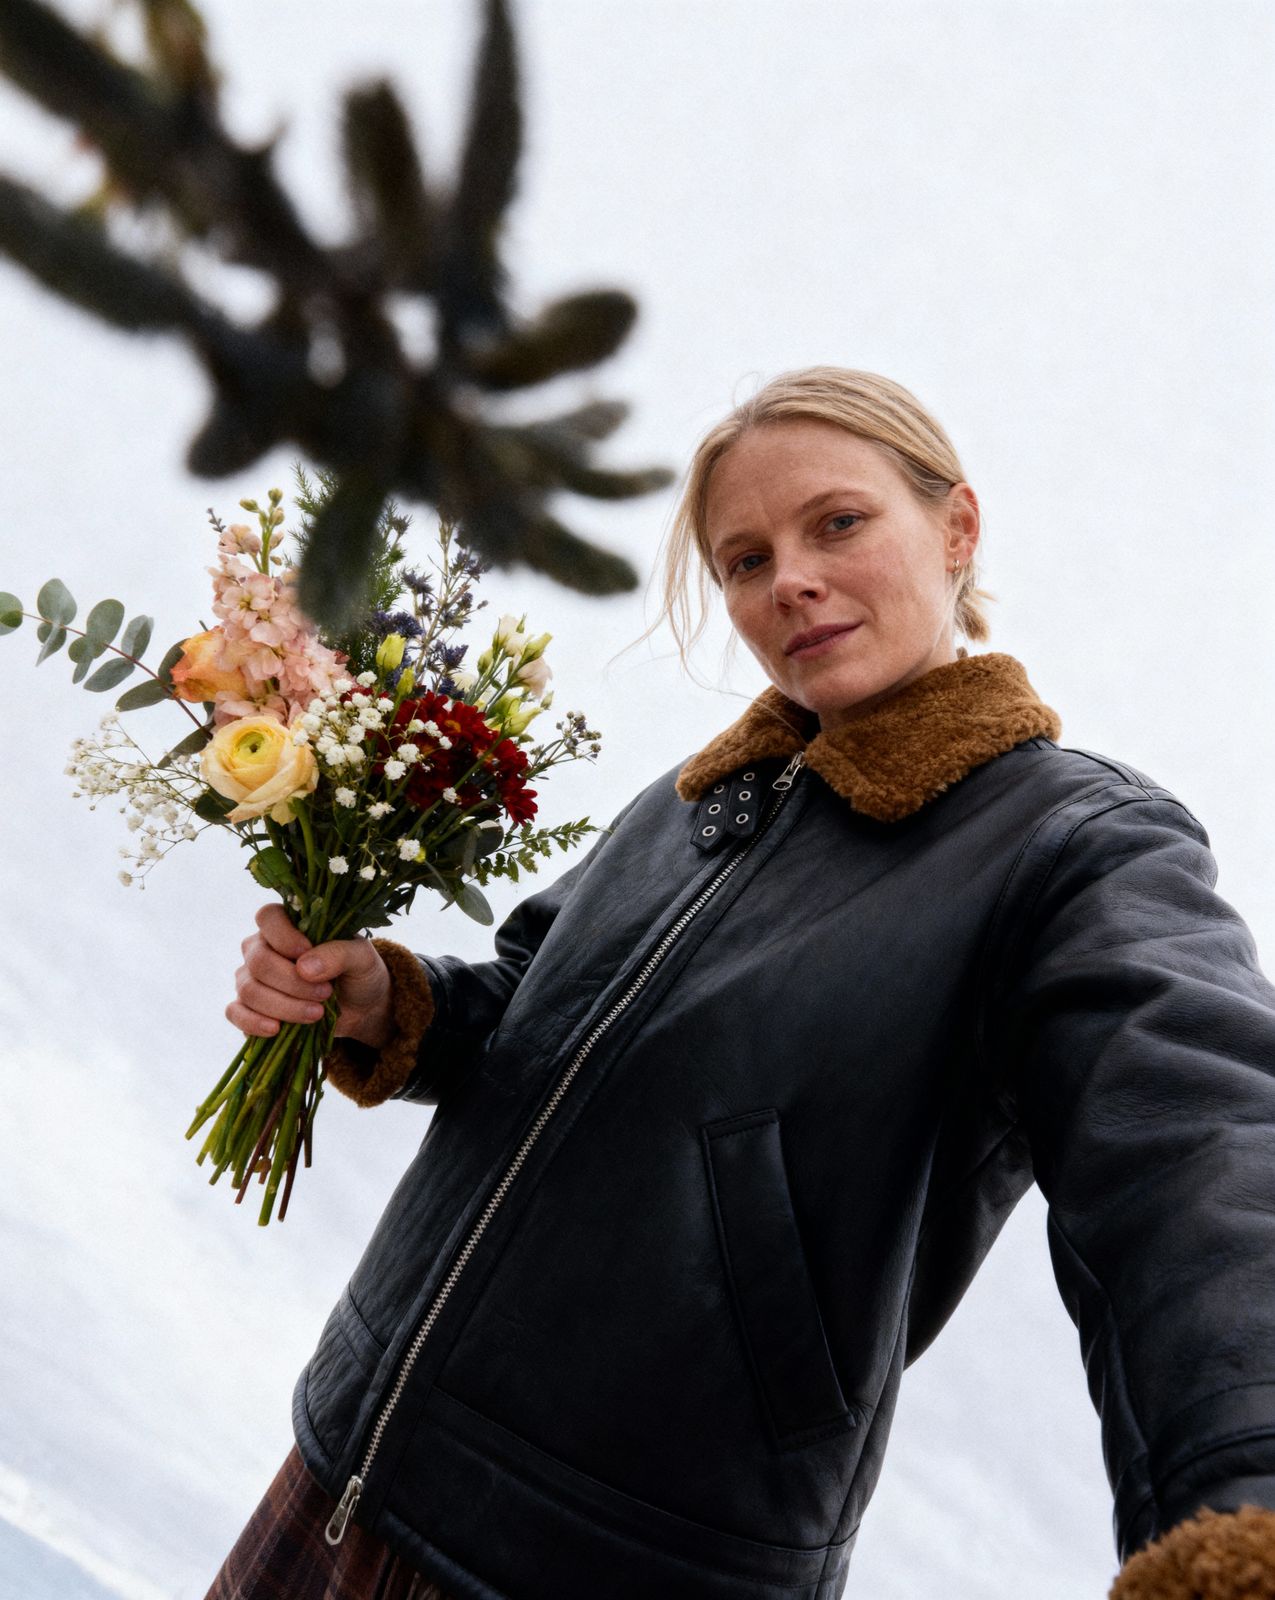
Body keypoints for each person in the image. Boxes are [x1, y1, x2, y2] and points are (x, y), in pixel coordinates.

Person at [207, 367, 1275, 1600]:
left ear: (957, 527)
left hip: (614, 1566)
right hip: (349, 1453)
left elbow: (1198, 1156)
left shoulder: (1074, 842)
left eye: (837, 523)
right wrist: (390, 1003)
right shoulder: (691, 802)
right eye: (744, 558)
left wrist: (1244, 1503)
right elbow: (522, 1006)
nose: (790, 582)